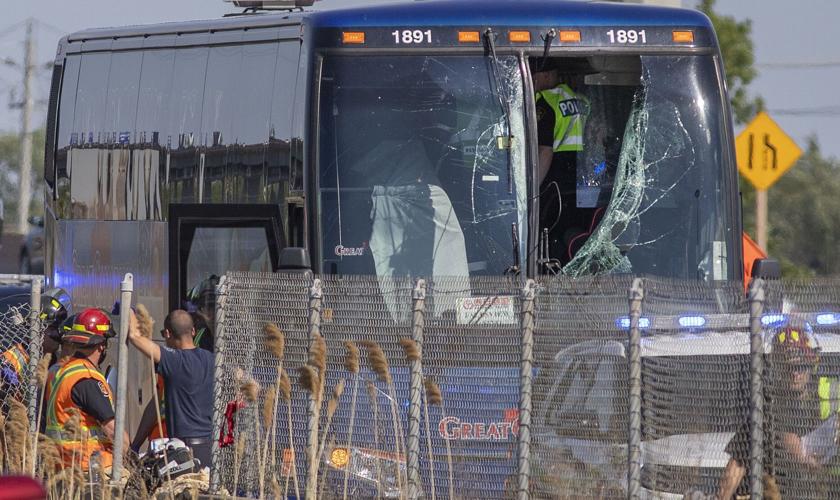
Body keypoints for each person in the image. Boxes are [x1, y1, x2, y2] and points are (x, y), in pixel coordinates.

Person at [718, 324, 825, 499]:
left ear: (810, 365)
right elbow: (737, 462)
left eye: (800, 366)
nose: (795, 374)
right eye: (788, 367)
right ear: (778, 368)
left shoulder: (825, 399)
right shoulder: (767, 409)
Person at [128, 309, 215, 468]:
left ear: (167, 333)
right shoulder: (213, 359)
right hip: (209, 448)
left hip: (183, 451)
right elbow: (243, 379)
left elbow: (134, 336)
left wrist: (130, 311)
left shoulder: (172, 360)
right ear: (193, 331)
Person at [44, 307, 127, 472]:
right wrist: (129, 452)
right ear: (102, 345)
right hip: (89, 466)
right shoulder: (87, 377)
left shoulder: (60, 370)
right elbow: (113, 431)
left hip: (62, 464)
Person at [534, 67, 593, 265]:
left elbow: (545, 150)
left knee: (552, 237)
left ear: (548, 74)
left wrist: (532, 190)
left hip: (555, 180)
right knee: (577, 229)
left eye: (534, 76)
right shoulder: (583, 101)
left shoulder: (546, 101)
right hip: (583, 179)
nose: (532, 82)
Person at [1, 288, 69, 406]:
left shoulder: (54, 360)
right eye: (54, 329)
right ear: (39, 330)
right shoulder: (12, 361)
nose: (59, 335)